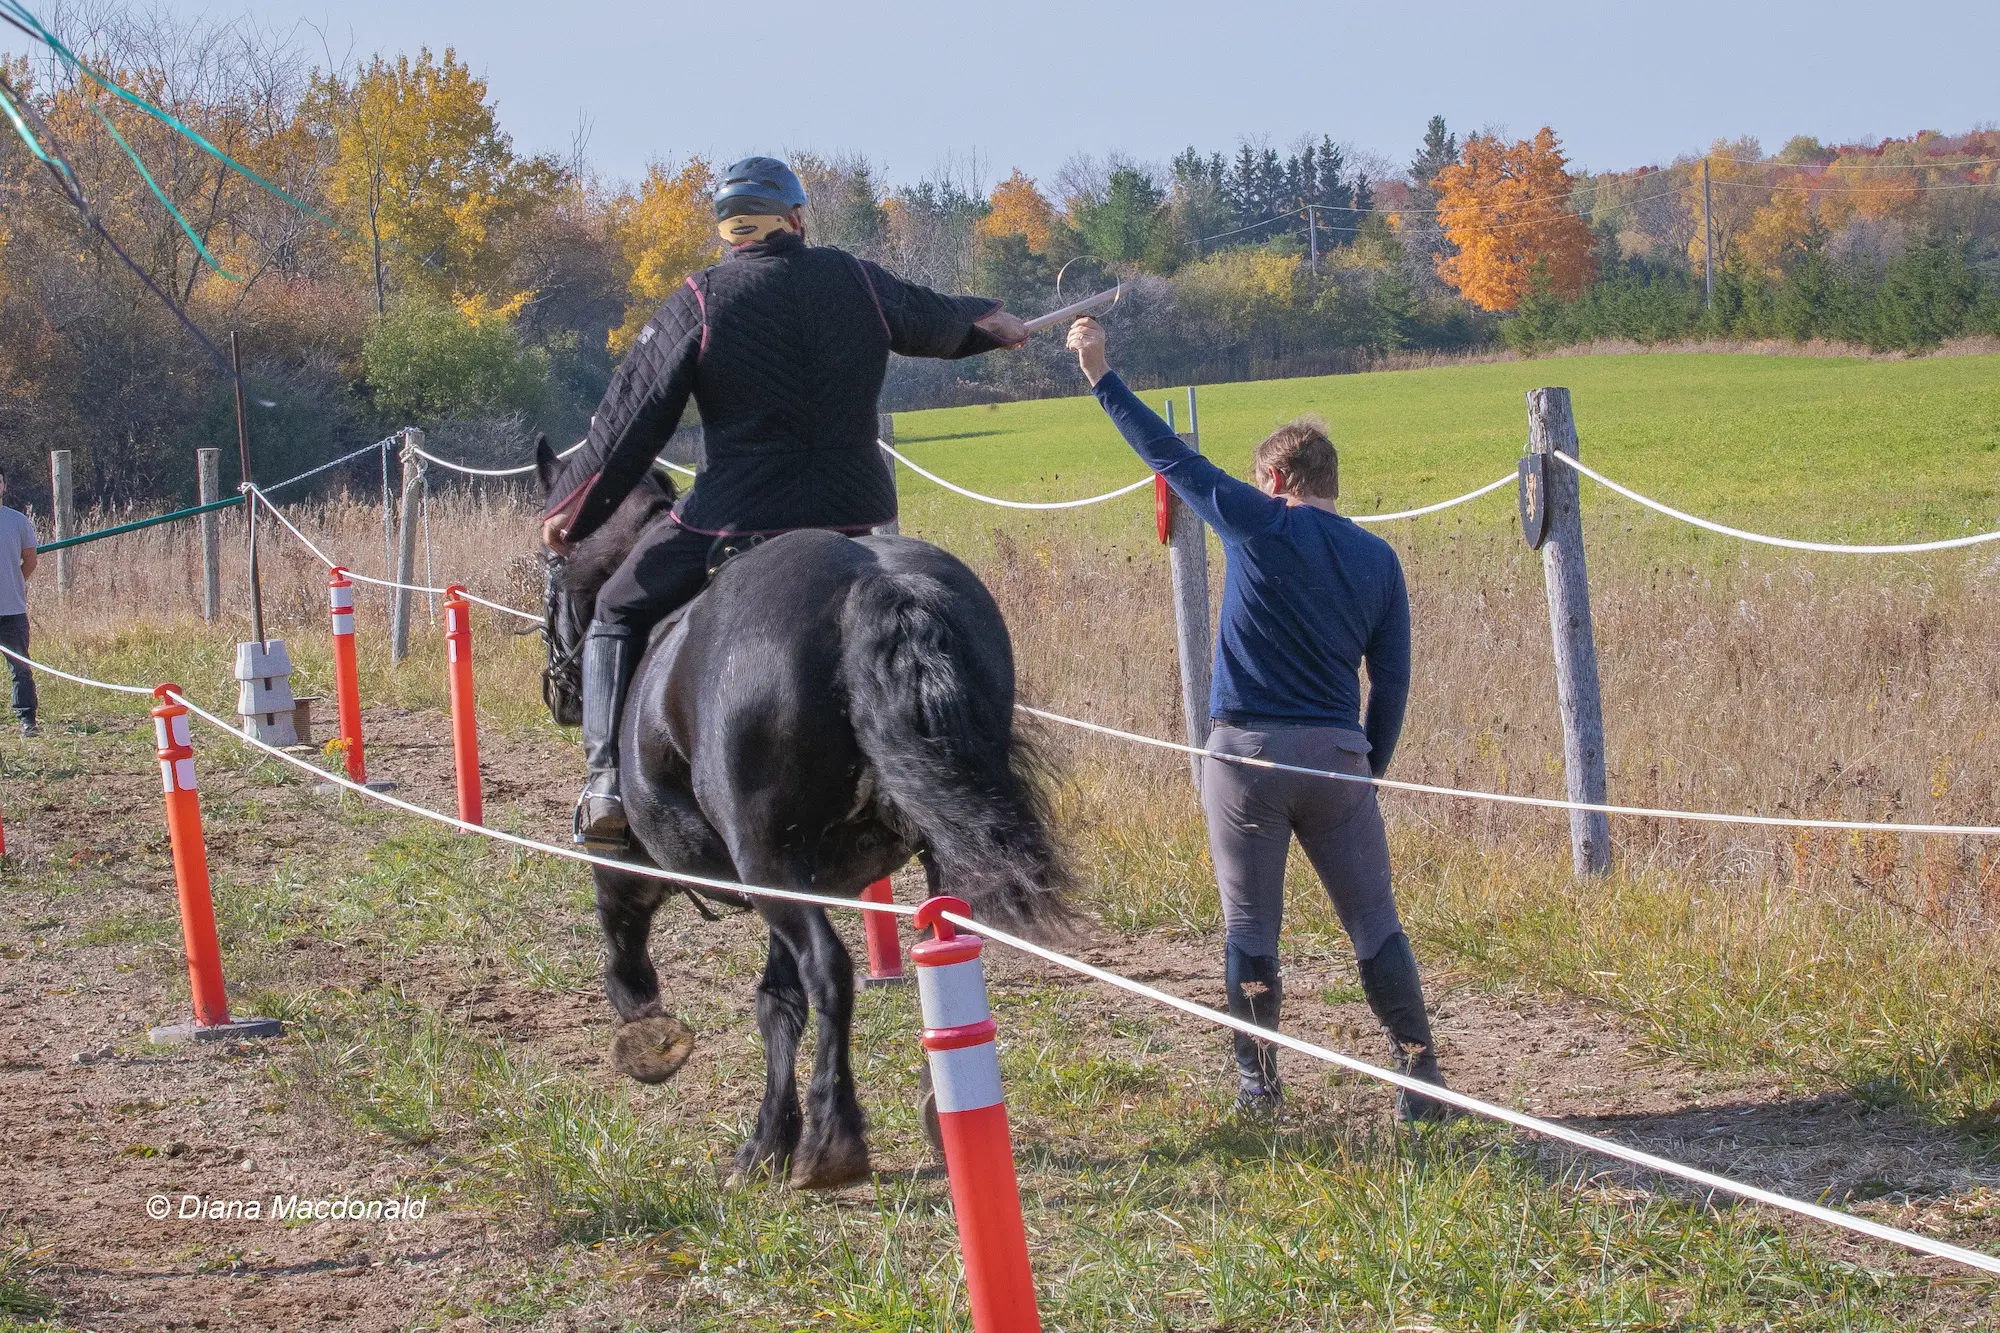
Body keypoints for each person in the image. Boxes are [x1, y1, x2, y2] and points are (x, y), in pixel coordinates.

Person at [542, 156, 1031, 849]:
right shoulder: (853, 278)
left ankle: (604, 787)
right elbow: (935, 319)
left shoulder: (703, 298)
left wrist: (574, 509)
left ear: (729, 229)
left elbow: (630, 422)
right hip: (852, 514)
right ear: (796, 218)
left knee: (617, 609)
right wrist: (992, 323)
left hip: (733, 519)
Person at [1065, 316, 1449, 1121]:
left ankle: (1258, 1085)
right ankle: (1421, 1082)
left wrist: (1100, 374)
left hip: (1243, 759)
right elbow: (1395, 679)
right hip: (1337, 759)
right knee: (1376, 922)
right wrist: (1362, 766)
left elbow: (1168, 456)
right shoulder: (1380, 560)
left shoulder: (1260, 522)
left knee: (1250, 923)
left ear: (1274, 478)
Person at [0, 468, 39, 737]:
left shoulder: (17, 521)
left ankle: (27, 721)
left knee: (21, 669)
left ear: (3, 485)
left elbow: (30, 560)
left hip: (12, 609)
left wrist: (14, 583)